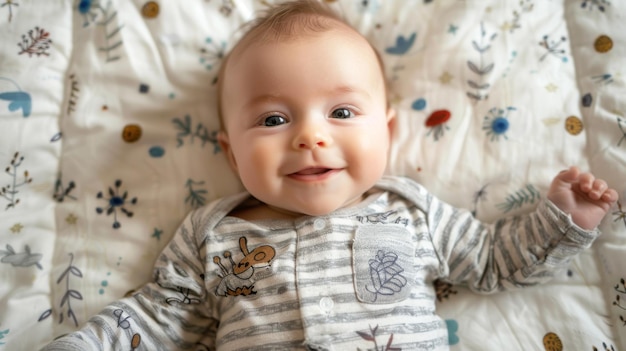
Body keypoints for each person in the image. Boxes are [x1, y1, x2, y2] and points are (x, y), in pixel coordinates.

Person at [42, 0, 618, 350]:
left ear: (387, 131)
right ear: (231, 152)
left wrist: (564, 218)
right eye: (273, 118)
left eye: (342, 112)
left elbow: (494, 261)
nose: (310, 136)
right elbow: (160, 318)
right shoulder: (211, 233)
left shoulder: (409, 212)